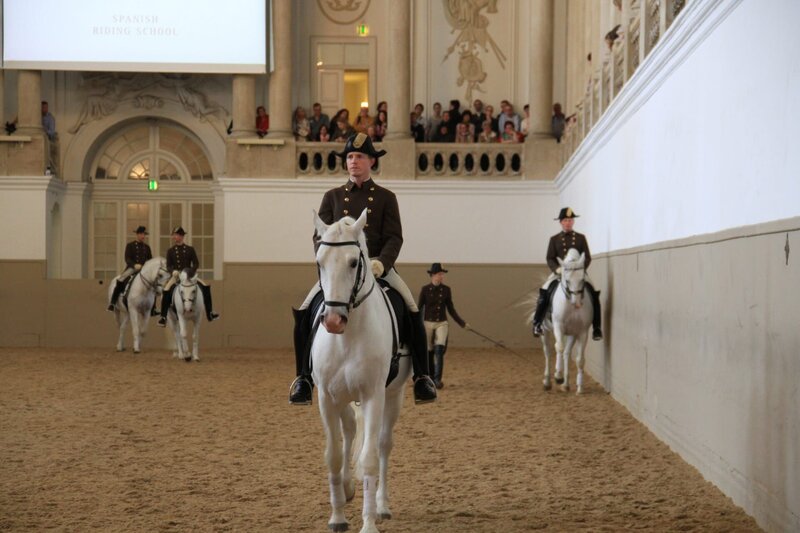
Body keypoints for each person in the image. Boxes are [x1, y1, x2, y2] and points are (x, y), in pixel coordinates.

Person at [289, 132, 438, 405]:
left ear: (371, 161)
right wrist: (329, 263)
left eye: (359, 157)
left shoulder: (385, 197)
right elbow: (318, 236)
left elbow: (395, 237)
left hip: (378, 268)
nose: (353, 162)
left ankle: (422, 376)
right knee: (305, 311)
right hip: (340, 272)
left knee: (412, 309)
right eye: (349, 157)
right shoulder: (332, 197)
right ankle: (303, 378)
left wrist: (382, 262)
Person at [532, 208, 603, 340]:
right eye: (565, 220)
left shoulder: (581, 238)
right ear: (561, 222)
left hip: (578, 274)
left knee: (593, 293)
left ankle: (597, 328)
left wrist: (580, 269)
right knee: (545, 290)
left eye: (570, 220)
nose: (568, 223)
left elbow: (587, 257)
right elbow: (550, 258)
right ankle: (537, 323)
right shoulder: (554, 239)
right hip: (560, 273)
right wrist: (557, 269)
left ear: (573, 222)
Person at [418, 263, 469, 389]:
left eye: (442, 274)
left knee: (439, 350)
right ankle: (429, 376)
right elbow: (419, 308)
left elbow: (451, 309)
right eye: (440, 274)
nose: (442, 276)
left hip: (441, 322)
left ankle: (437, 379)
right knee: (429, 351)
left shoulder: (446, 290)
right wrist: (414, 323)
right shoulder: (425, 289)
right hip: (428, 322)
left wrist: (462, 323)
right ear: (433, 275)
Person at [157, 226, 220, 326]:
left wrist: (190, 272)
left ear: (181, 236)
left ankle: (210, 313)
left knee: (205, 287)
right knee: (166, 290)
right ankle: (163, 317)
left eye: (176, 235)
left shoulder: (190, 249)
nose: (174, 237)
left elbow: (196, 263)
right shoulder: (171, 251)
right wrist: (173, 271)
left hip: (189, 276)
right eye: (174, 235)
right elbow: (169, 265)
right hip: (176, 276)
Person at [107, 226, 153, 312]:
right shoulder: (130, 245)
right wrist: (134, 265)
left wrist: (147, 267)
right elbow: (127, 258)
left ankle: (153, 308)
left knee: (152, 283)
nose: (143, 236)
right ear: (137, 234)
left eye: (144, 234)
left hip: (143, 270)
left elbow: (150, 260)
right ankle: (113, 302)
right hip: (132, 268)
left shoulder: (147, 247)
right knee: (121, 279)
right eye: (141, 234)